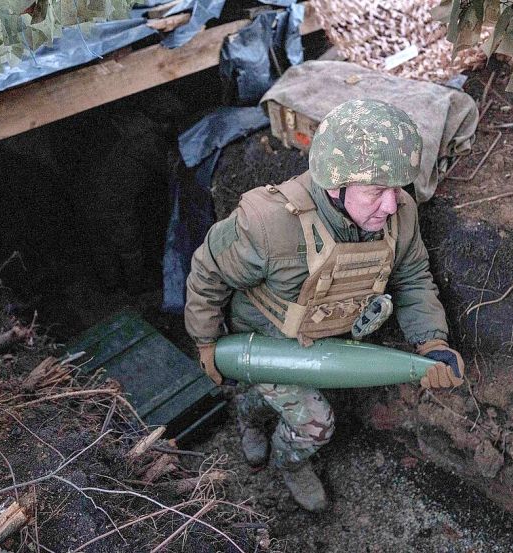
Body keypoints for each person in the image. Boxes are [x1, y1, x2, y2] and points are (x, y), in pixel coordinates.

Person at [184, 99, 465, 512]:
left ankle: (249, 411)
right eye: (376, 191)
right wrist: (206, 340)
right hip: (263, 338)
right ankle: (290, 462)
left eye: (397, 188)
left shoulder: (399, 215)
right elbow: (208, 270)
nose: (391, 205)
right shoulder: (269, 223)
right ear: (336, 184)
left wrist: (432, 344)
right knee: (315, 424)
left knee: (271, 395)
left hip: (324, 337)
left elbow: (413, 277)